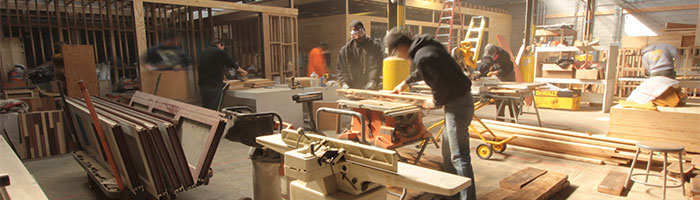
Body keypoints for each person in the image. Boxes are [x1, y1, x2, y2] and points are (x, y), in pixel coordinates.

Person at [386, 28, 476, 200]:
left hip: (458, 106)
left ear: (402, 46)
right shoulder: (426, 46)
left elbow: (440, 87)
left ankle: (468, 198)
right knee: (448, 154)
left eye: (396, 50)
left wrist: (433, 103)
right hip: (458, 103)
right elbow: (423, 71)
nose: (398, 55)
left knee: (459, 156)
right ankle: (452, 194)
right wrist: (404, 83)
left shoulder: (422, 56)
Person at [197, 39, 247, 110]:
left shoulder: (204, 52)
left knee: (206, 106)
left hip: (203, 84)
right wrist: (243, 71)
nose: (222, 50)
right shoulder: (219, 52)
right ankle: (214, 120)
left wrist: (222, 75)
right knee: (214, 106)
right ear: (220, 45)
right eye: (222, 48)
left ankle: (206, 120)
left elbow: (212, 66)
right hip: (213, 85)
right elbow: (230, 62)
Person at [337, 20, 383, 90]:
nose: (358, 37)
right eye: (355, 34)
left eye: (360, 33)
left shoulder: (374, 47)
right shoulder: (345, 51)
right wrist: (344, 83)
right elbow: (341, 70)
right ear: (351, 35)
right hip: (352, 89)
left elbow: (376, 67)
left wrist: (372, 82)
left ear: (364, 31)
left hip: (370, 88)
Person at [476, 44, 516, 121]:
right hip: (497, 76)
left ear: (495, 52)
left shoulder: (504, 55)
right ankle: (500, 117)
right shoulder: (487, 56)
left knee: (510, 96)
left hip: (508, 75)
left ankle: (513, 116)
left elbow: (505, 71)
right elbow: (484, 65)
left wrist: (494, 73)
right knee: (498, 96)